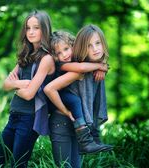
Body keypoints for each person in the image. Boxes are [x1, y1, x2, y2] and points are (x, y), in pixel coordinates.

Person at [44, 26, 112, 167]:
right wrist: (101, 65)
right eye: (59, 53)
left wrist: (103, 66)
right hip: (61, 122)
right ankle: (88, 139)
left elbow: (86, 65)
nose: (64, 55)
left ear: (73, 46)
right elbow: (50, 88)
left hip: (74, 125)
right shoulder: (66, 66)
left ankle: (90, 137)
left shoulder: (84, 64)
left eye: (66, 49)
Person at [0, 10, 55, 168]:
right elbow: (4, 84)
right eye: (28, 28)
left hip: (29, 119)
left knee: (18, 164)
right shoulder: (26, 55)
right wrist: (22, 83)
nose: (31, 32)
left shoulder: (46, 58)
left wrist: (14, 85)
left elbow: (29, 95)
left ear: (45, 29)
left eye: (36, 27)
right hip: (13, 116)